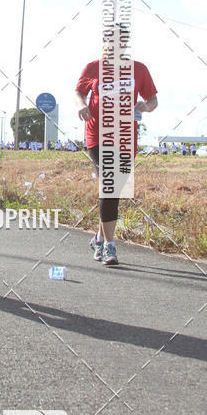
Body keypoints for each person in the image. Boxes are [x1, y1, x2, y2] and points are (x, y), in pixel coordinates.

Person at [75, 26, 157, 267]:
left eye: (122, 41)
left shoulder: (138, 70)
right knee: (110, 184)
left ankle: (99, 236)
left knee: (115, 189)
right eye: (112, 40)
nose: (116, 45)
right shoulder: (93, 67)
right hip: (98, 133)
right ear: (105, 41)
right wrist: (80, 105)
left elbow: (153, 99)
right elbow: (78, 91)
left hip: (125, 137)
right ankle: (109, 247)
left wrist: (145, 106)